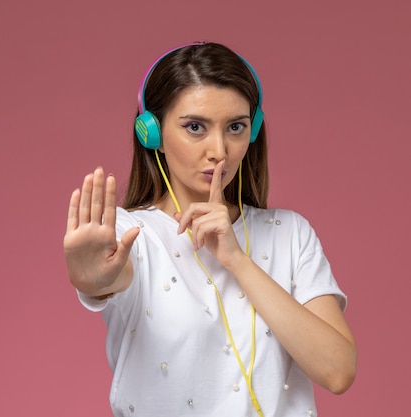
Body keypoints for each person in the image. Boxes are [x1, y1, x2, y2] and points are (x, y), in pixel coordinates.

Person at [63, 42, 356, 417]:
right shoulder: (129, 232)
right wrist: (92, 280)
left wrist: (238, 261)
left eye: (236, 127)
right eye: (195, 127)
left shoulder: (291, 234)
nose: (220, 150)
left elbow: (338, 371)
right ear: (151, 132)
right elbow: (107, 277)